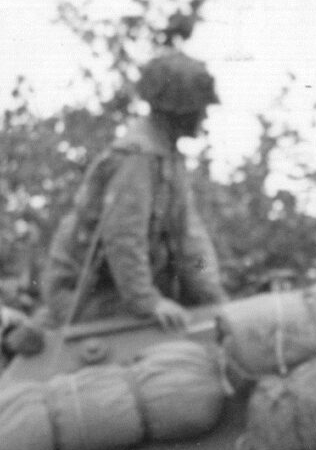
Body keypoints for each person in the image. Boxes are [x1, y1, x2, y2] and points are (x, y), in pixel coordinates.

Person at [40, 49, 230, 331]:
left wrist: (213, 294)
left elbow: (192, 242)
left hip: (123, 289)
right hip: (86, 296)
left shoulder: (168, 159)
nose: (203, 116)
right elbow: (123, 238)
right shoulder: (137, 158)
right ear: (180, 111)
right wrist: (149, 302)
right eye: (199, 108)